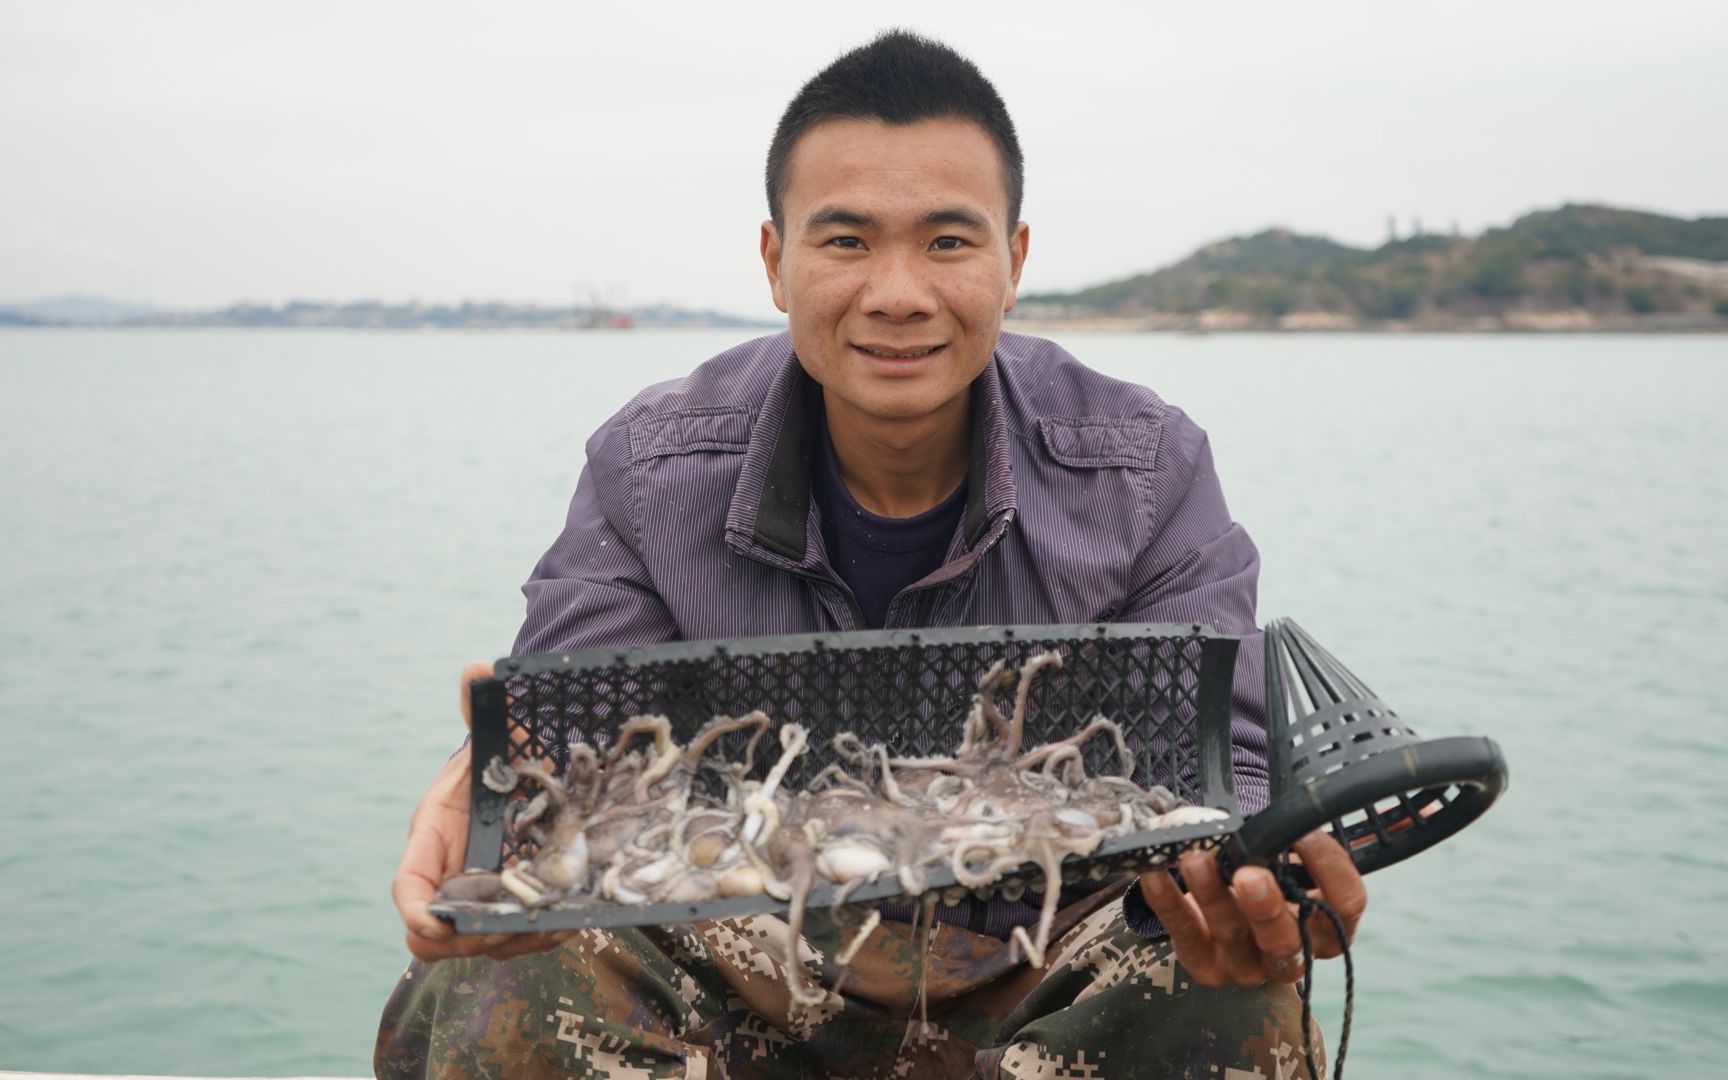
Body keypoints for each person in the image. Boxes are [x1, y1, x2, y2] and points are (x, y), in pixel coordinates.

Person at [378, 30, 1366, 1079]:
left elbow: (1232, 765)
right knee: (506, 966)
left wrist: (1269, 879)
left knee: (1227, 985)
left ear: (1013, 261)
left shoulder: (1141, 468)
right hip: (748, 943)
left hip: (1044, 951)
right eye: (846, 242)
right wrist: (489, 796)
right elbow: (569, 749)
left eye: (948, 242)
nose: (898, 293)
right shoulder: (650, 467)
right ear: (776, 261)